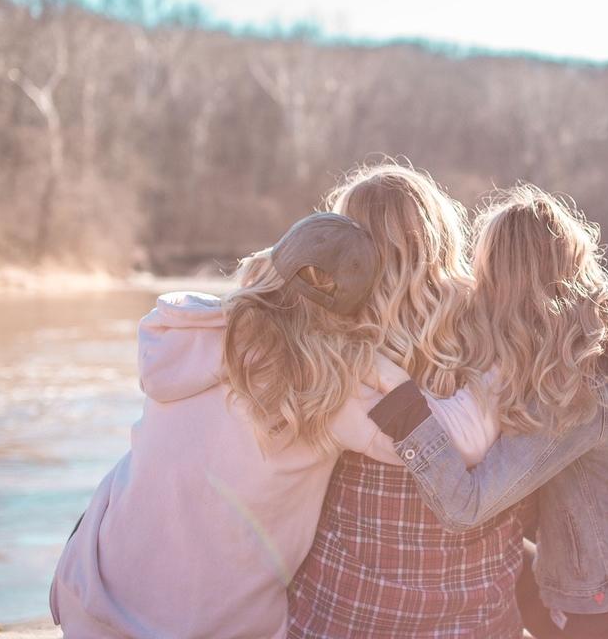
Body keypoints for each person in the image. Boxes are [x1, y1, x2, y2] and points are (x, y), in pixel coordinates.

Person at [49, 213, 486, 638]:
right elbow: (458, 443)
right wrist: (402, 376)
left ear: (271, 266)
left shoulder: (185, 330)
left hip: (89, 596)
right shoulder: (335, 387)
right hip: (213, 629)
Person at [369, 185, 608, 639]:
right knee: (503, 557)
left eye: (483, 274)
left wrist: (404, 407)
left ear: (506, 287)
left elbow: (466, 506)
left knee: (487, 564)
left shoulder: (580, 386)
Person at [288, 165, 523, 638]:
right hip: (476, 613)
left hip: (347, 612)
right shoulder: (497, 326)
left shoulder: (329, 336)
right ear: (440, 235)